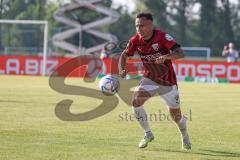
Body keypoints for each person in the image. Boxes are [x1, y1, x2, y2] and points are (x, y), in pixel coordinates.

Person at [118, 12, 191, 149]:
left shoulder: (162, 37)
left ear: (151, 25)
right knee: (135, 101)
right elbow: (123, 55)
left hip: (168, 82)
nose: (139, 29)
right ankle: (148, 133)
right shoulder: (135, 40)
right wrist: (122, 69)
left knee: (176, 117)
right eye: (137, 26)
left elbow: (180, 53)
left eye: (142, 26)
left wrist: (166, 57)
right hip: (150, 78)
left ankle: (185, 135)